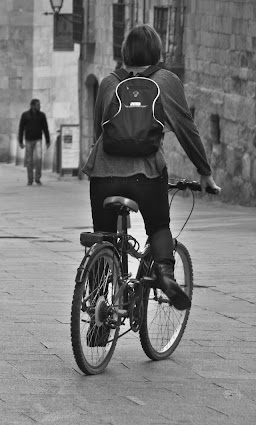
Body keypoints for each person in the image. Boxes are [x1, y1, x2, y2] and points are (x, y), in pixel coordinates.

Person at [82, 24, 221, 310]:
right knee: (158, 225)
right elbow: (186, 128)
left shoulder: (109, 82)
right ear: (157, 51)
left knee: (104, 238)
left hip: (103, 174)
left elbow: (100, 131)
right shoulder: (165, 81)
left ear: (125, 52)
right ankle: (166, 276)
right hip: (146, 174)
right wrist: (204, 173)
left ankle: (96, 308)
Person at [18, 99, 50, 185]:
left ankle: (37, 178)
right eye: (38, 105)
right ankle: (30, 179)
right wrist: (20, 141)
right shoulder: (25, 115)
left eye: (39, 105)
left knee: (39, 159)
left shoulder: (42, 115)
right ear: (32, 106)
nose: (39, 106)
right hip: (28, 140)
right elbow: (21, 128)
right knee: (29, 160)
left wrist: (48, 140)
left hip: (38, 140)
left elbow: (45, 128)